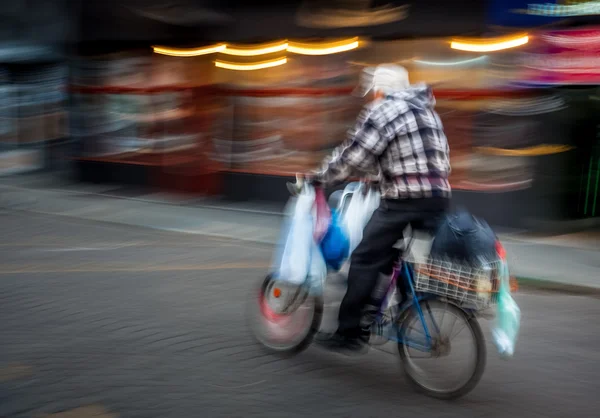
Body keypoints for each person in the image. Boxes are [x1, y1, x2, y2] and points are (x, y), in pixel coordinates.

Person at [307, 64, 451, 354]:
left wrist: (320, 179)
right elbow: (415, 155)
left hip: (405, 200)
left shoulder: (383, 110)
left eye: (373, 92)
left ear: (381, 90)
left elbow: (353, 154)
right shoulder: (426, 110)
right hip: (439, 197)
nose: (371, 97)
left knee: (365, 257)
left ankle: (349, 333)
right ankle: (407, 310)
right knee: (398, 256)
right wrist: (378, 178)